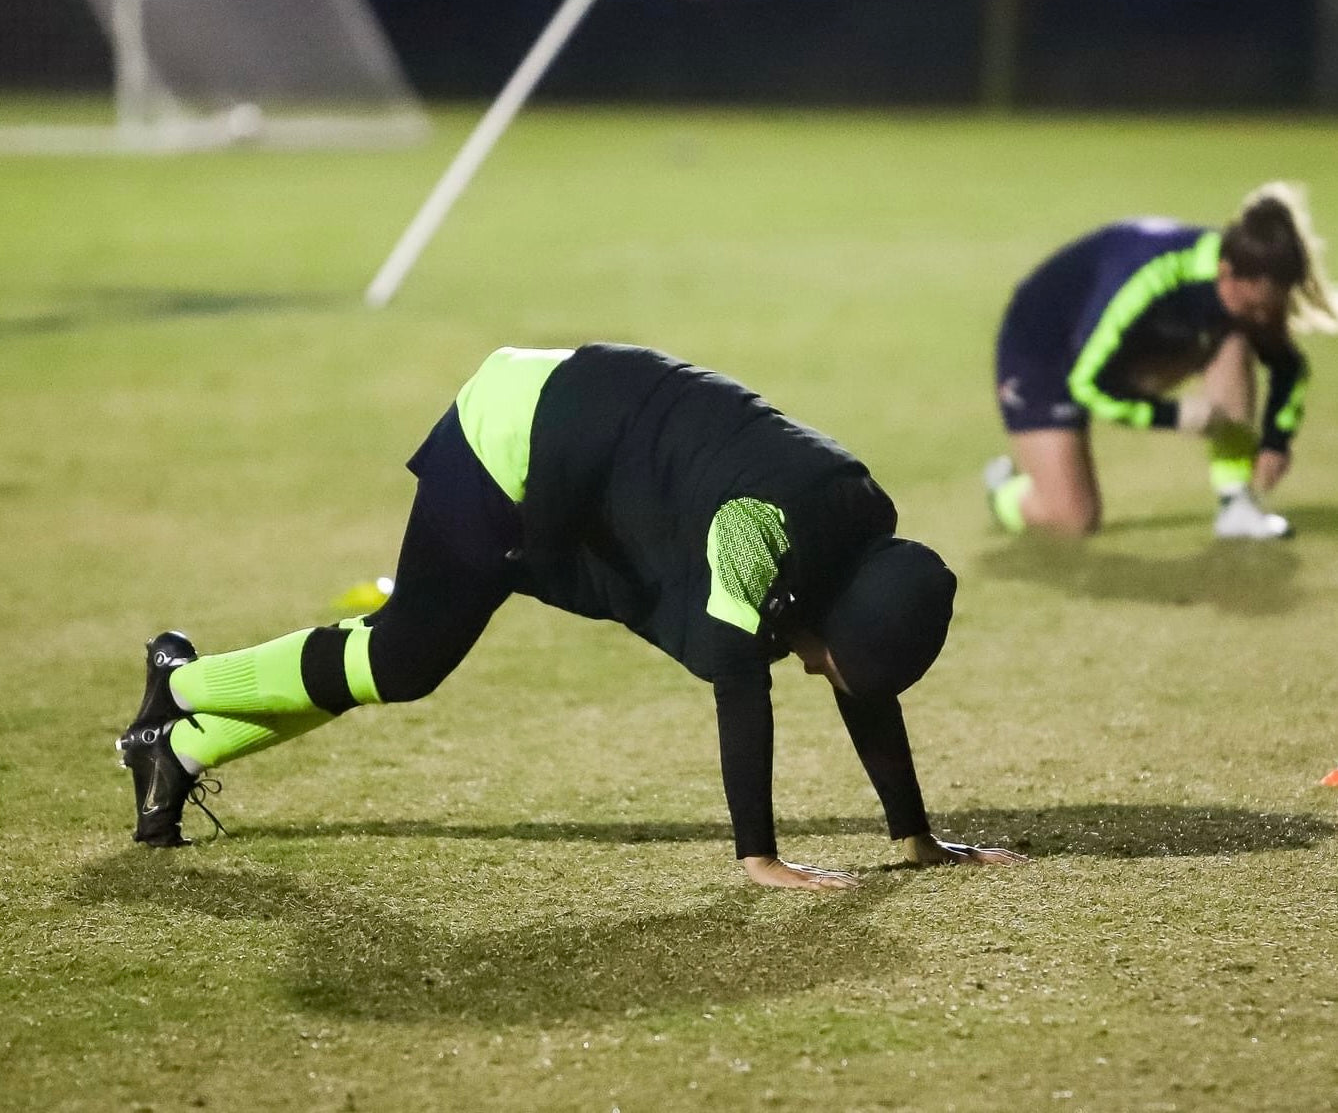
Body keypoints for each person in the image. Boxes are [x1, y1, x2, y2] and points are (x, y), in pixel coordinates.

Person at [117, 343, 1023, 889]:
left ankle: (180, 751)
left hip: (591, 462)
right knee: (403, 661)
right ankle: (180, 680)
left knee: (403, 655)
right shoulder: (765, 531)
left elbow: (863, 686)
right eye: (832, 662)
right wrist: (761, 856)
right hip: (514, 441)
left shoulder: (862, 529)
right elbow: (738, 681)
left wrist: (916, 837)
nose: (824, 672)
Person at [985, 182, 1337, 540]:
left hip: (1133, 347)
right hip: (1044, 347)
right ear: (1226, 272)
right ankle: (1001, 489)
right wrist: (1173, 415)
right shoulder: (1151, 280)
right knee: (1073, 519)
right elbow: (1086, 382)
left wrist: (1276, 443)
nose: (1263, 318)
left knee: (1235, 336)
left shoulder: (1248, 282)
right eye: (1253, 307)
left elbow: (1288, 367)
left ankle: (1236, 505)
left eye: (1270, 309)